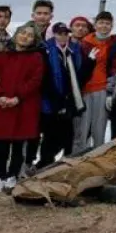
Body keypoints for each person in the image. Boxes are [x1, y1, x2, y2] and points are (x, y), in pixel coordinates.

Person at [0, 23, 45, 191]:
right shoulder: (2, 55)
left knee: (18, 144)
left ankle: (12, 176)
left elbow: (35, 81)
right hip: (1, 105)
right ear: (16, 34)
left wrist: (17, 97)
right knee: (0, 144)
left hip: (23, 104)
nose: (25, 36)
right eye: (22, 33)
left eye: (29, 35)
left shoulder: (36, 57)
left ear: (34, 40)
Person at [39, 22, 91, 165]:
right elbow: (44, 79)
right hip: (50, 101)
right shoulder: (45, 50)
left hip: (68, 100)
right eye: (59, 33)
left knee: (68, 134)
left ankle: (64, 164)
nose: (62, 36)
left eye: (65, 34)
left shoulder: (72, 51)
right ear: (53, 34)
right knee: (50, 135)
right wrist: (56, 99)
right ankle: (45, 163)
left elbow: (79, 77)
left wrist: (90, 62)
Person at [75, 12, 116, 153]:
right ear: (95, 24)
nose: (104, 26)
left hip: (102, 89)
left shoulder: (115, 42)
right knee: (82, 128)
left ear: (111, 26)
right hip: (85, 90)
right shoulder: (85, 43)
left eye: (107, 23)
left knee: (99, 128)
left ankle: (97, 157)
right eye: (101, 22)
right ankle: (78, 158)